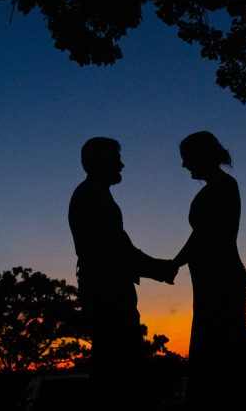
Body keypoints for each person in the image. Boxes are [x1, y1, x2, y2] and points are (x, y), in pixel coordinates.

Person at [68, 137, 176, 408]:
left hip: (105, 292)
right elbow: (117, 251)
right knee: (119, 369)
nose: (122, 165)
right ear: (101, 162)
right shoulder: (92, 197)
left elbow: (119, 249)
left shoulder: (95, 195)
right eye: (116, 159)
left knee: (115, 366)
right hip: (108, 295)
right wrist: (161, 268)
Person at [171, 131, 246, 409]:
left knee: (224, 341)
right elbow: (199, 236)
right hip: (211, 278)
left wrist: (172, 265)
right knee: (221, 340)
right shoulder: (217, 188)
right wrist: (175, 264)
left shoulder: (224, 187)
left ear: (202, 156)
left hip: (221, 277)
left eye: (187, 158)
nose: (184, 165)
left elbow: (205, 236)